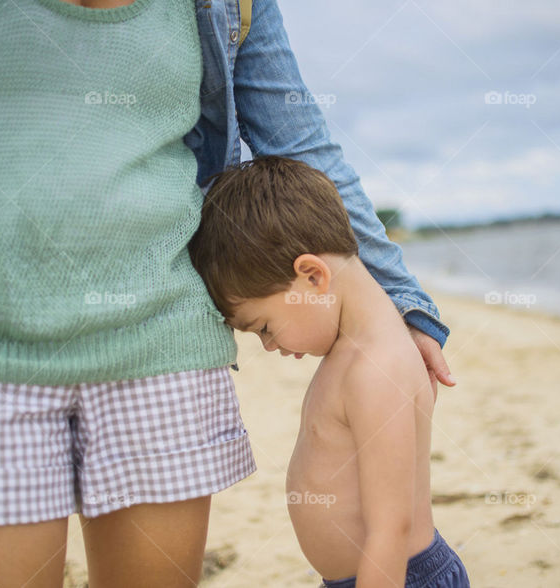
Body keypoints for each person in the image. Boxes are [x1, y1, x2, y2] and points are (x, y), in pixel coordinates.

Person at [0, 0, 454, 585]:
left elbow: (302, 146)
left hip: (161, 343)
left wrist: (400, 300)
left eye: (259, 328)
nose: (264, 345)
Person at [188, 156, 470, 587]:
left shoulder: (376, 368)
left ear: (312, 276)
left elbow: (390, 529)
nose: (268, 345)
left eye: (263, 326)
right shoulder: (354, 352)